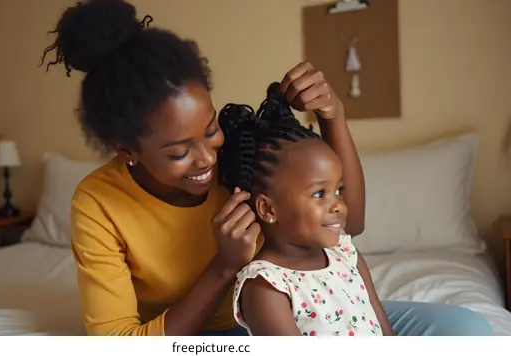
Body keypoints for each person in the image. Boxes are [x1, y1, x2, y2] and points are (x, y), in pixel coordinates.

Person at [40, 0, 494, 336]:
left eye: (211, 127)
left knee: (466, 331)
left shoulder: (241, 152)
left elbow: (348, 221)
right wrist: (223, 267)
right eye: (180, 151)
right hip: (206, 338)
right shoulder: (98, 203)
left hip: (305, 311)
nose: (207, 157)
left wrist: (333, 115)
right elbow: (119, 343)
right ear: (127, 151)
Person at [218, 83, 393, 336]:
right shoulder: (266, 286)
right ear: (268, 209)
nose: (339, 205)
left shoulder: (346, 254)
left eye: (338, 190)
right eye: (320, 193)